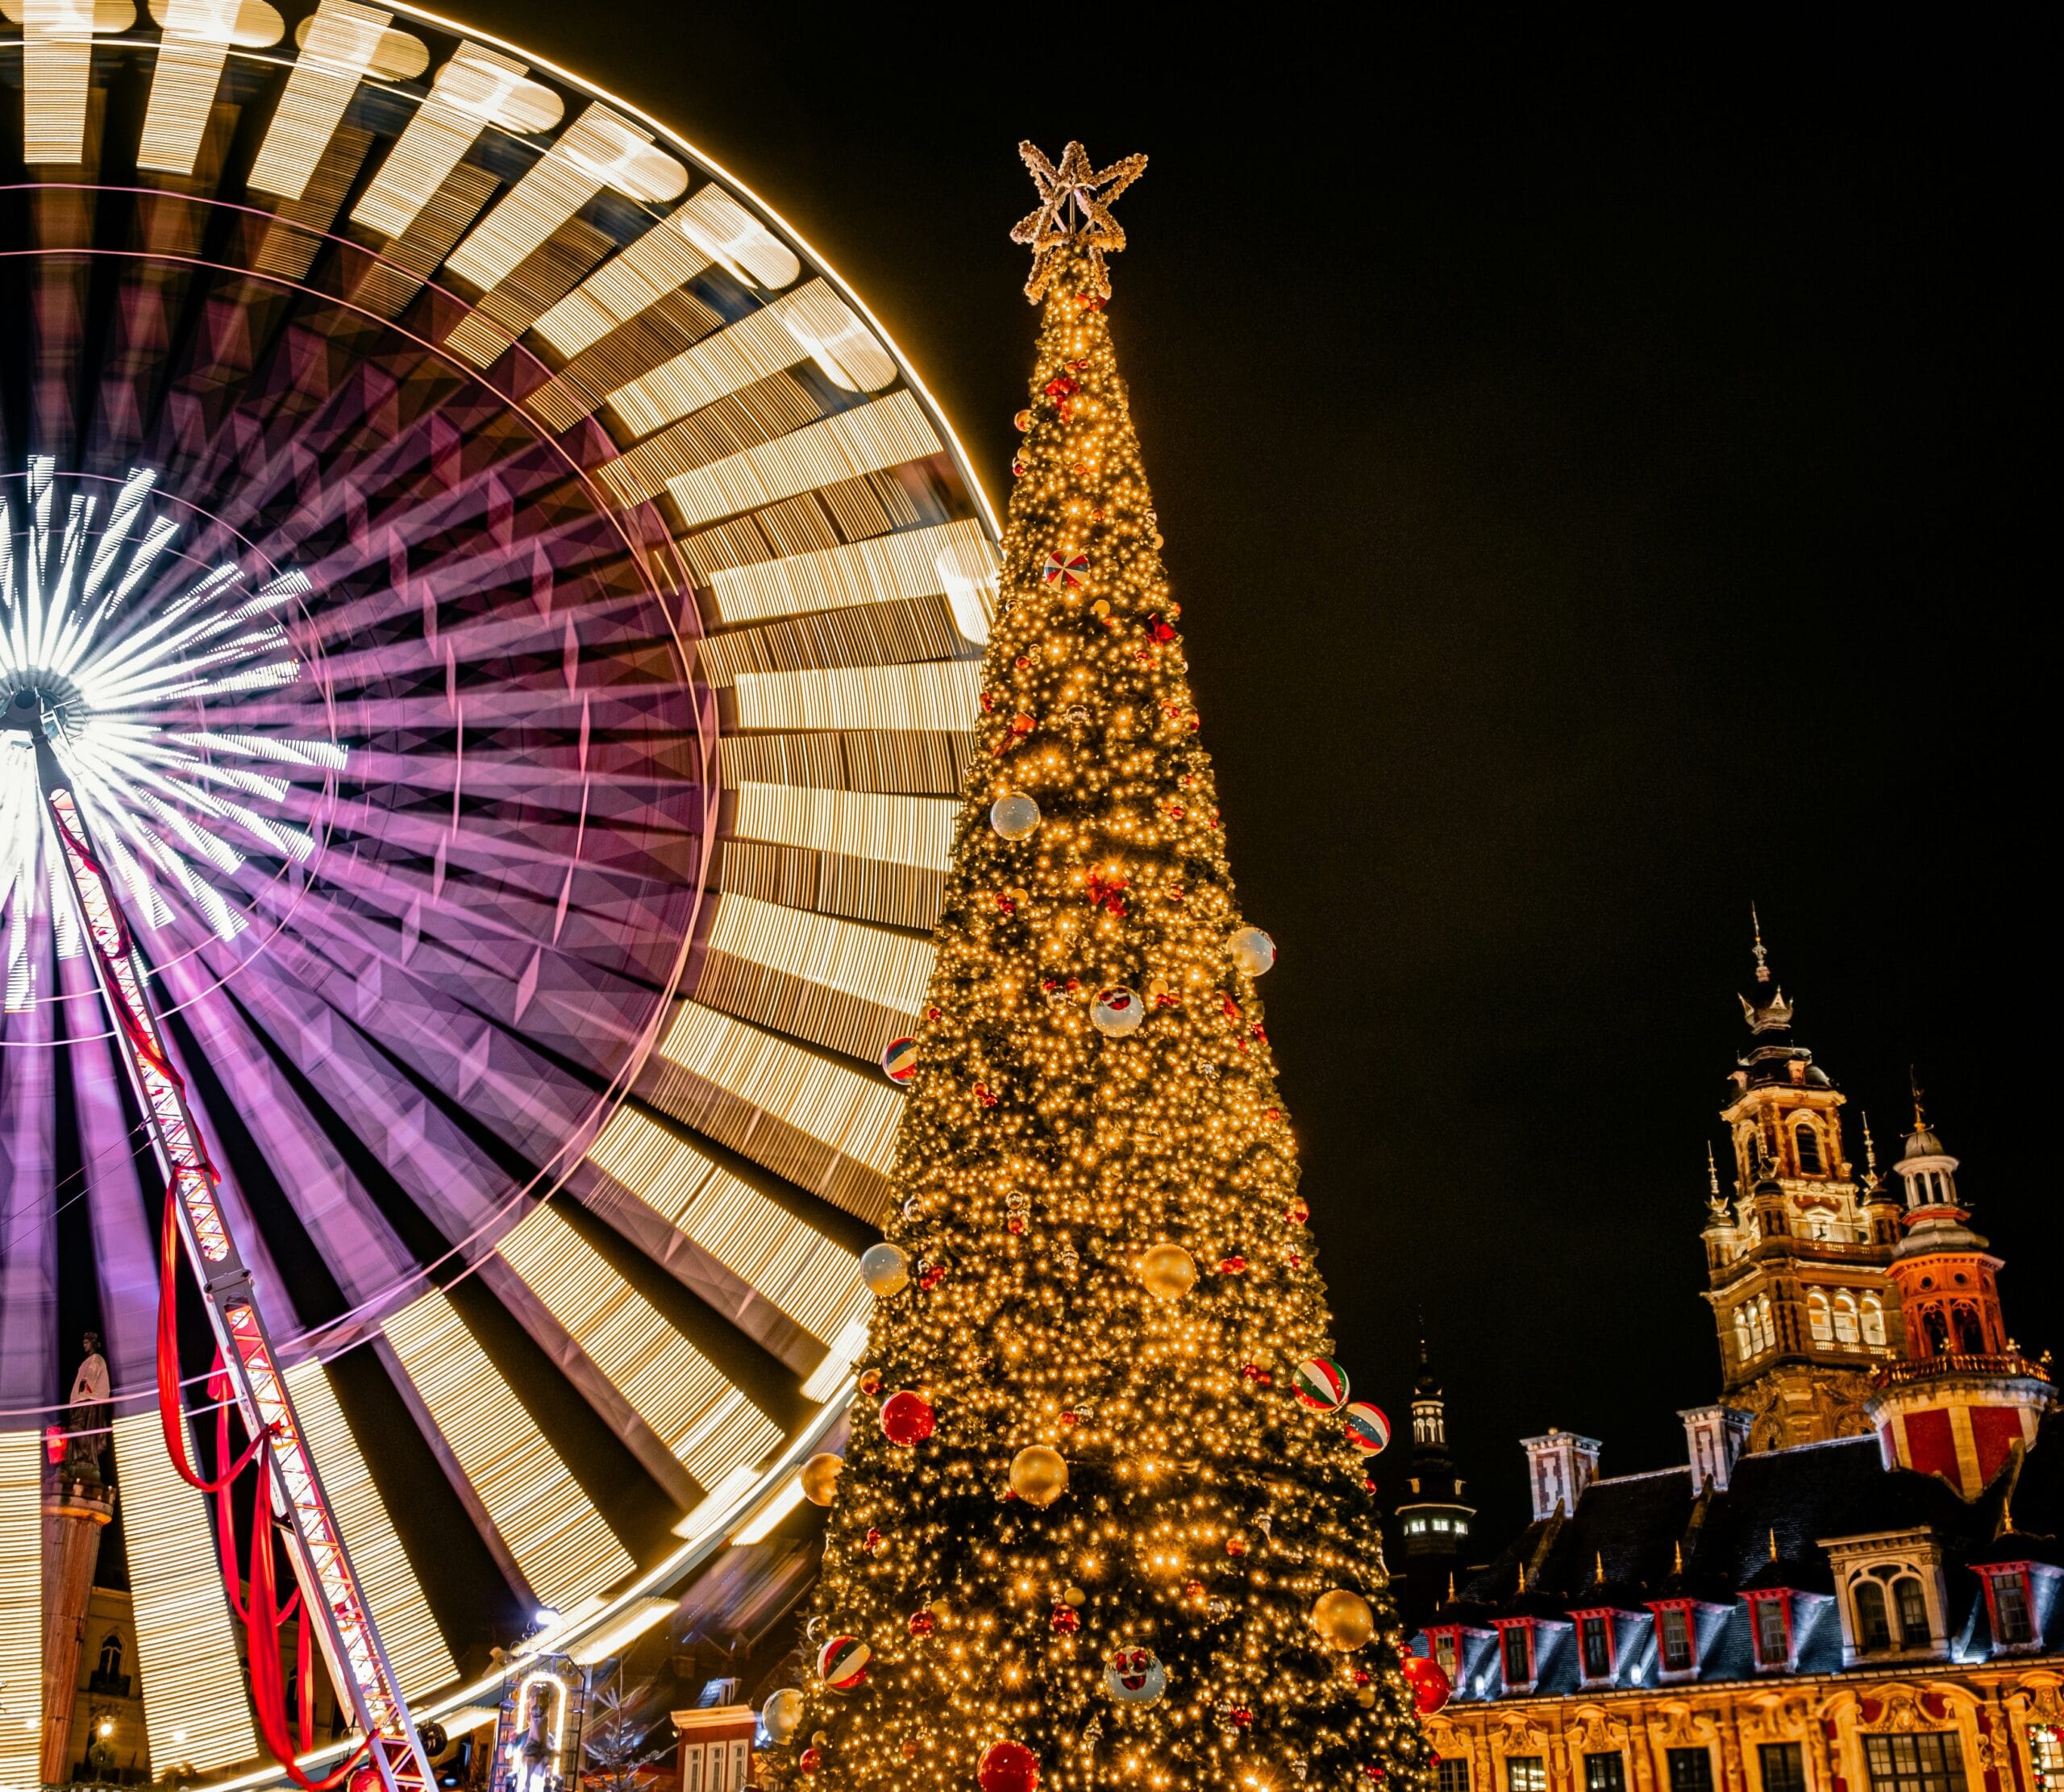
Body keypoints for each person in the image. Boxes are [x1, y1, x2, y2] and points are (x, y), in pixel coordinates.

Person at [65, 1333, 111, 1478]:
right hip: (80, 1400)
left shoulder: (96, 1358)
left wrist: (85, 1385)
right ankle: (82, 1457)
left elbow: (91, 1374)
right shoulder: (86, 1361)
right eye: (83, 1342)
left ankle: (86, 1456)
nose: (84, 1344)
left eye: (87, 1342)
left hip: (87, 1399)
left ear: (94, 1343)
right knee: (75, 1428)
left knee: (75, 1427)